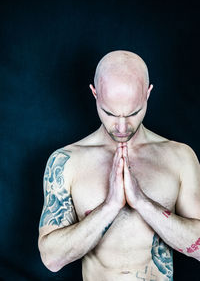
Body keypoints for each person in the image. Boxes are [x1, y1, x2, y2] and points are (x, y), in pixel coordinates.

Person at [38, 50, 200, 281]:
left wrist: (143, 204)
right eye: (110, 113)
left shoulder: (180, 157)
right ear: (94, 94)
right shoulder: (66, 162)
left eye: (133, 113)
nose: (122, 128)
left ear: (148, 94)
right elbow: (51, 259)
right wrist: (110, 206)